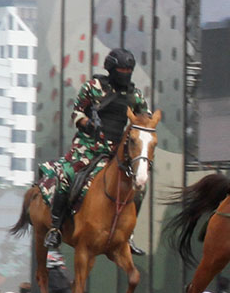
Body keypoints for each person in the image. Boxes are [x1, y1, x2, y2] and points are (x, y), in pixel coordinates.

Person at [41, 48, 150, 255]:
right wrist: (87, 123)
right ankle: (55, 228)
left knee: (139, 186)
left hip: (116, 152)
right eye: (121, 69)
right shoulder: (93, 87)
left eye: (129, 70)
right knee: (66, 177)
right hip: (87, 147)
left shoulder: (134, 95)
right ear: (111, 68)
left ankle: (128, 235)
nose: (125, 73)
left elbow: (145, 117)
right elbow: (76, 112)